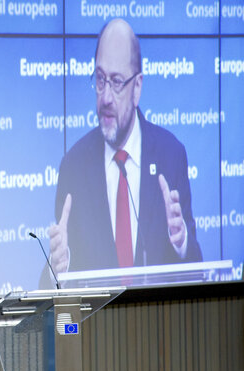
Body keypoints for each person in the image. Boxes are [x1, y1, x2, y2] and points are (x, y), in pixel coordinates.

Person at [49, 18, 202, 278]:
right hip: (99, 320)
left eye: (117, 82)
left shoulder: (171, 155)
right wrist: (58, 267)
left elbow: (196, 268)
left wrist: (181, 241)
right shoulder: (73, 167)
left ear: (137, 87)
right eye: (100, 79)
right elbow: (54, 295)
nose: (106, 97)